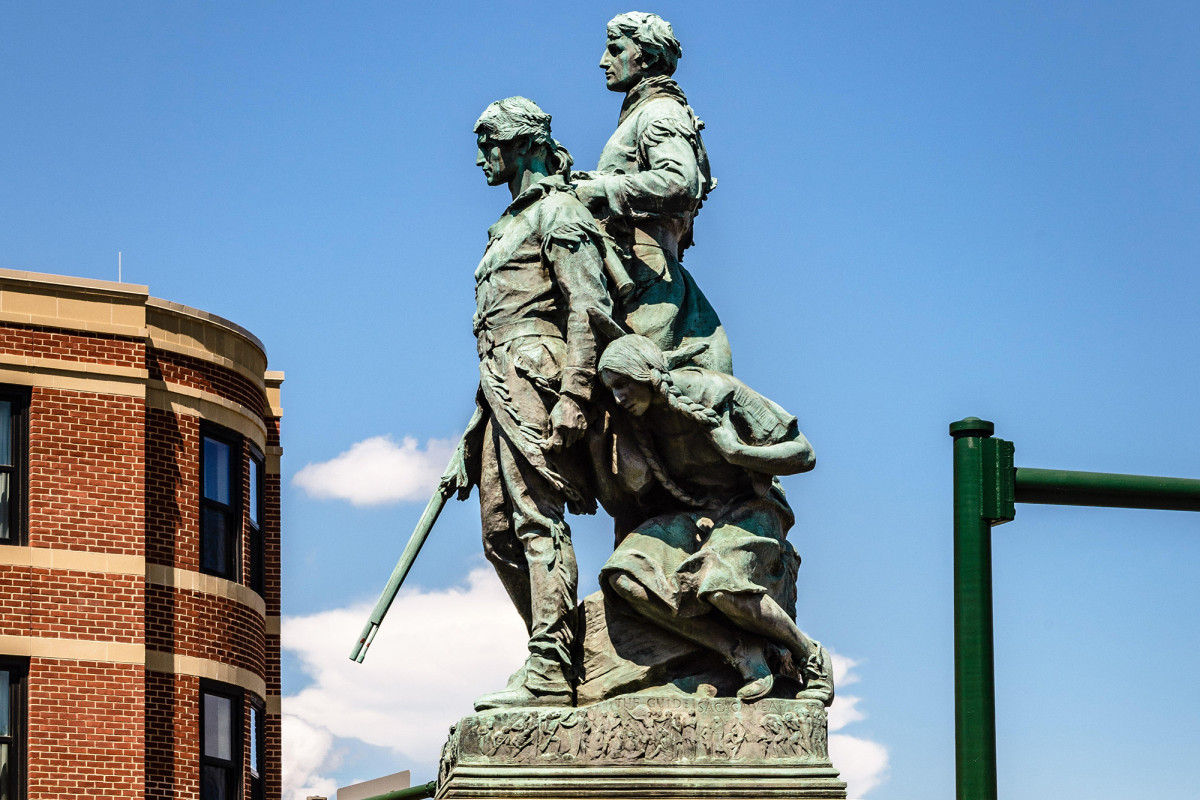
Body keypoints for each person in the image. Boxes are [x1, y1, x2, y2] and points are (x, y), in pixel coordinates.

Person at [441, 97, 614, 710]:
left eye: (491, 142)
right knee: (498, 534)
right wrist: (471, 435)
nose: (482, 156)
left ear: (522, 144)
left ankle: (551, 662)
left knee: (537, 520)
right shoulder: (506, 226)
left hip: (540, 382)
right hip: (498, 389)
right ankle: (558, 644)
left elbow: (588, 311)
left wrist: (575, 394)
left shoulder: (559, 212)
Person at [592, 334, 833, 703]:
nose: (620, 397)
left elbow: (804, 454)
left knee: (718, 582)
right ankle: (737, 649)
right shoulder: (635, 422)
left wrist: (739, 452)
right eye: (613, 389)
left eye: (624, 383)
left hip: (753, 507)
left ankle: (808, 654)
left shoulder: (715, 390)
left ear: (649, 373)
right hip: (693, 513)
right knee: (623, 576)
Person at [574, 11, 732, 374]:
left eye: (614, 50)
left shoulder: (660, 111)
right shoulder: (642, 113)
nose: (603, 61)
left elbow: (680, 183)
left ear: (644, 56)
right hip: (634, 270)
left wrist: (601, 187)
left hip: (646, 278)